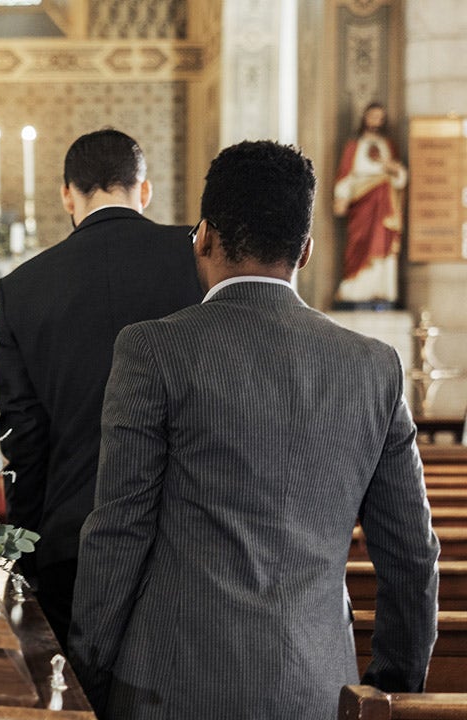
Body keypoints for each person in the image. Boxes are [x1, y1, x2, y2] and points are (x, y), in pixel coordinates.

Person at [70, 140, 440, 720]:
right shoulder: (374, 366)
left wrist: (86, 674)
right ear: (307, 251)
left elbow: (119, 532)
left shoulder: (153, 349)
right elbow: (412, 558)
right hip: (317, 690)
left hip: (168, 689)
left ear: (205, 237)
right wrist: (387, 692)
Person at [0, 128, 202, 650]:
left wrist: (29, 548)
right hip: (188, 533)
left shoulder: (23, 287)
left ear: (67, 194)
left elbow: (24, 437)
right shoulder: (198, 257)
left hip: (71, 537)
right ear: (143, 189)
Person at [333, 101, 407, 307]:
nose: (375, 121)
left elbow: (400, 178)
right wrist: (341, 197)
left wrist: (392, 169)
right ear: (364, 118)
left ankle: (382, 289)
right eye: (371, 116)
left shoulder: (389, 146)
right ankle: (354, 289)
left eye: (379, 117)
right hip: (361, 203)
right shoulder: (354, 146)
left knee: (382, 244)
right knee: (359, 243)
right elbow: (345, 175)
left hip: (384, 204)